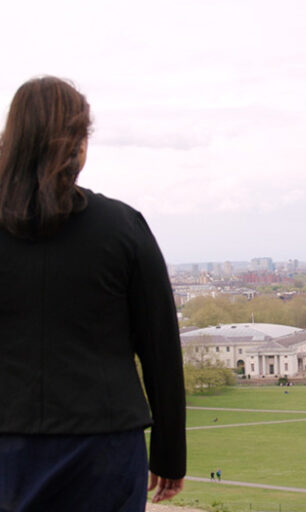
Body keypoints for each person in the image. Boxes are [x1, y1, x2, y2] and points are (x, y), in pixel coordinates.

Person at [0, 76, 186, 510]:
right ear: (79, 145)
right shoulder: (122, 226)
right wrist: (169, 453)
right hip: (103, 443)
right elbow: (160, 348)